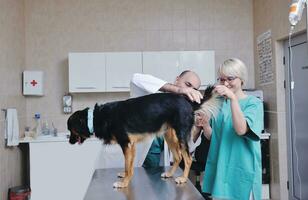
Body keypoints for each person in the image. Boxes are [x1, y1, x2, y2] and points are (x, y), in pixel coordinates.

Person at [202, 58, 264, 200]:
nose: (225, 83)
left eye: (230, 79)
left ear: (241, 79)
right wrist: (205, 124)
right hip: (221, 168)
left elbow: (241, 130)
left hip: (241, 167)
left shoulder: (253, 104)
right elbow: (213, 137)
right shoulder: (219, 103)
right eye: (221, 79)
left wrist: (233, 99)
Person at [130, 71, 204, 168]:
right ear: (177, 79)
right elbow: (136, 78)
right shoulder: (151, 92)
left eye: (193, 89)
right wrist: (178, 90)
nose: (189, 91)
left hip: (155, 170)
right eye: (187, 85)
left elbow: (185, 149)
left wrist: (198, 129)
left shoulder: (181, 112)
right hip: (130, 159)